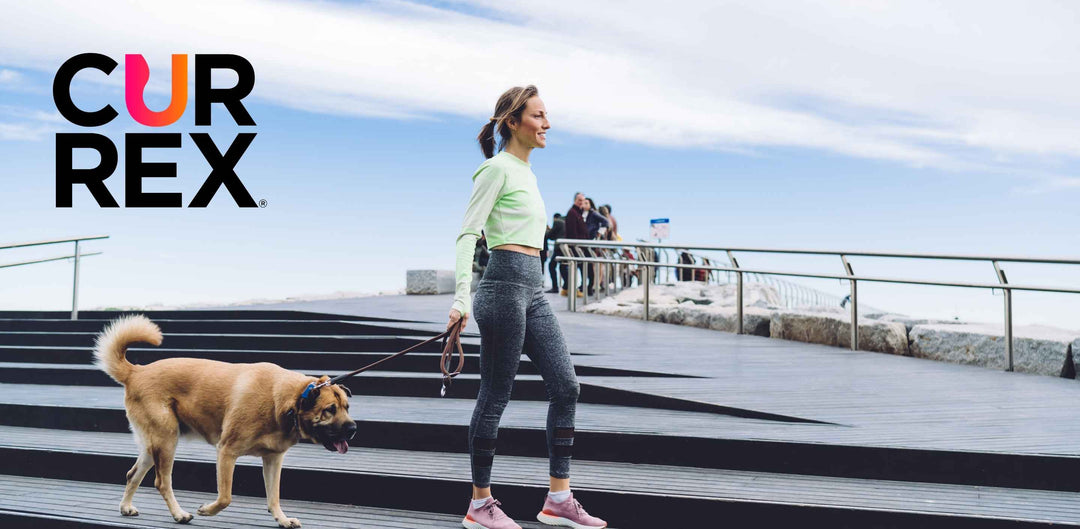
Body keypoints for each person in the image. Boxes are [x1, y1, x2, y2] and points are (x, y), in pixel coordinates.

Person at [449, 85, 607, 529]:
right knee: (496, 395)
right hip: (500, 289)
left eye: (546, 115)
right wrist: (462, 298)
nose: (547, 124)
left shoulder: (527, 173)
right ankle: (480, 505)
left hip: (534, 290)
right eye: (539, 115)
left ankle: (559, 499)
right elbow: (468, 234)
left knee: (567, 386)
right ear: (513, 122)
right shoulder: (494, 170)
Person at [561, 193, 588, 297]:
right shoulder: (572, 213)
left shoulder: (579, 212)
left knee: (577, 268)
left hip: (579, 246)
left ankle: (569, 288)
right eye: (579, 200)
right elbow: (572, 231)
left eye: (583, 200)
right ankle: (574, 289)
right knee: (575, 268)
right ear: (575, 200)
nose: (581, 202)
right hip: (575, 246)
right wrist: (575, 246)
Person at [545, 213, 565, 293]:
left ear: (554, 218)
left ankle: (555, 287)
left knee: (551, 266)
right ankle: (566, 285)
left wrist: (546, 231)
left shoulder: (557, 222)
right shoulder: (564, 221)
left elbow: (550, 235)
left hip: (559, 247)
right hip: (564, 247)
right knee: (563, 266)